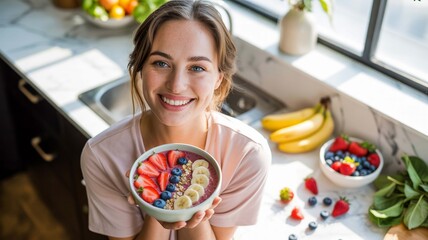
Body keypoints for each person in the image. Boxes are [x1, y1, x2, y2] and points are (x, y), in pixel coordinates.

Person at [80, 0, 271, 239]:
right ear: (140, 67)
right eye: (161, 63)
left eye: (197, 67)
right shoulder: (102, 156)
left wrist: (193, 210)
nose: (176, 85)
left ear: (218, 79)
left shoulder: (246, 154)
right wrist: (158, 205)